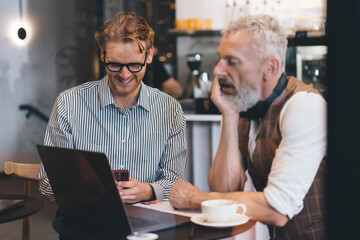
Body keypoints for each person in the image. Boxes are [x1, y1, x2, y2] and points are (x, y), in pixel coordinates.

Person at [169, 14, 327, 240]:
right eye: (220, 59)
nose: (217, 70)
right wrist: (229, 115)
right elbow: (224, 189)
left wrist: (195, 198)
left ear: (270, 68)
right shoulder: (243, 104)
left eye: (231, 61)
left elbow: (277, 209)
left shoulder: (305, 106)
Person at [39, 11, 187, 204]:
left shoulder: (170, 110)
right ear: (102, 55)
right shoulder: (69, 103)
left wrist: (148, 190)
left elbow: (174, 181)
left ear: (149, 56)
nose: (125, 75)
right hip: (87, 221)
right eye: (115, 65)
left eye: (134, 65)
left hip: (146, 224)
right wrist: (87, 185)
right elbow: (46, 186)